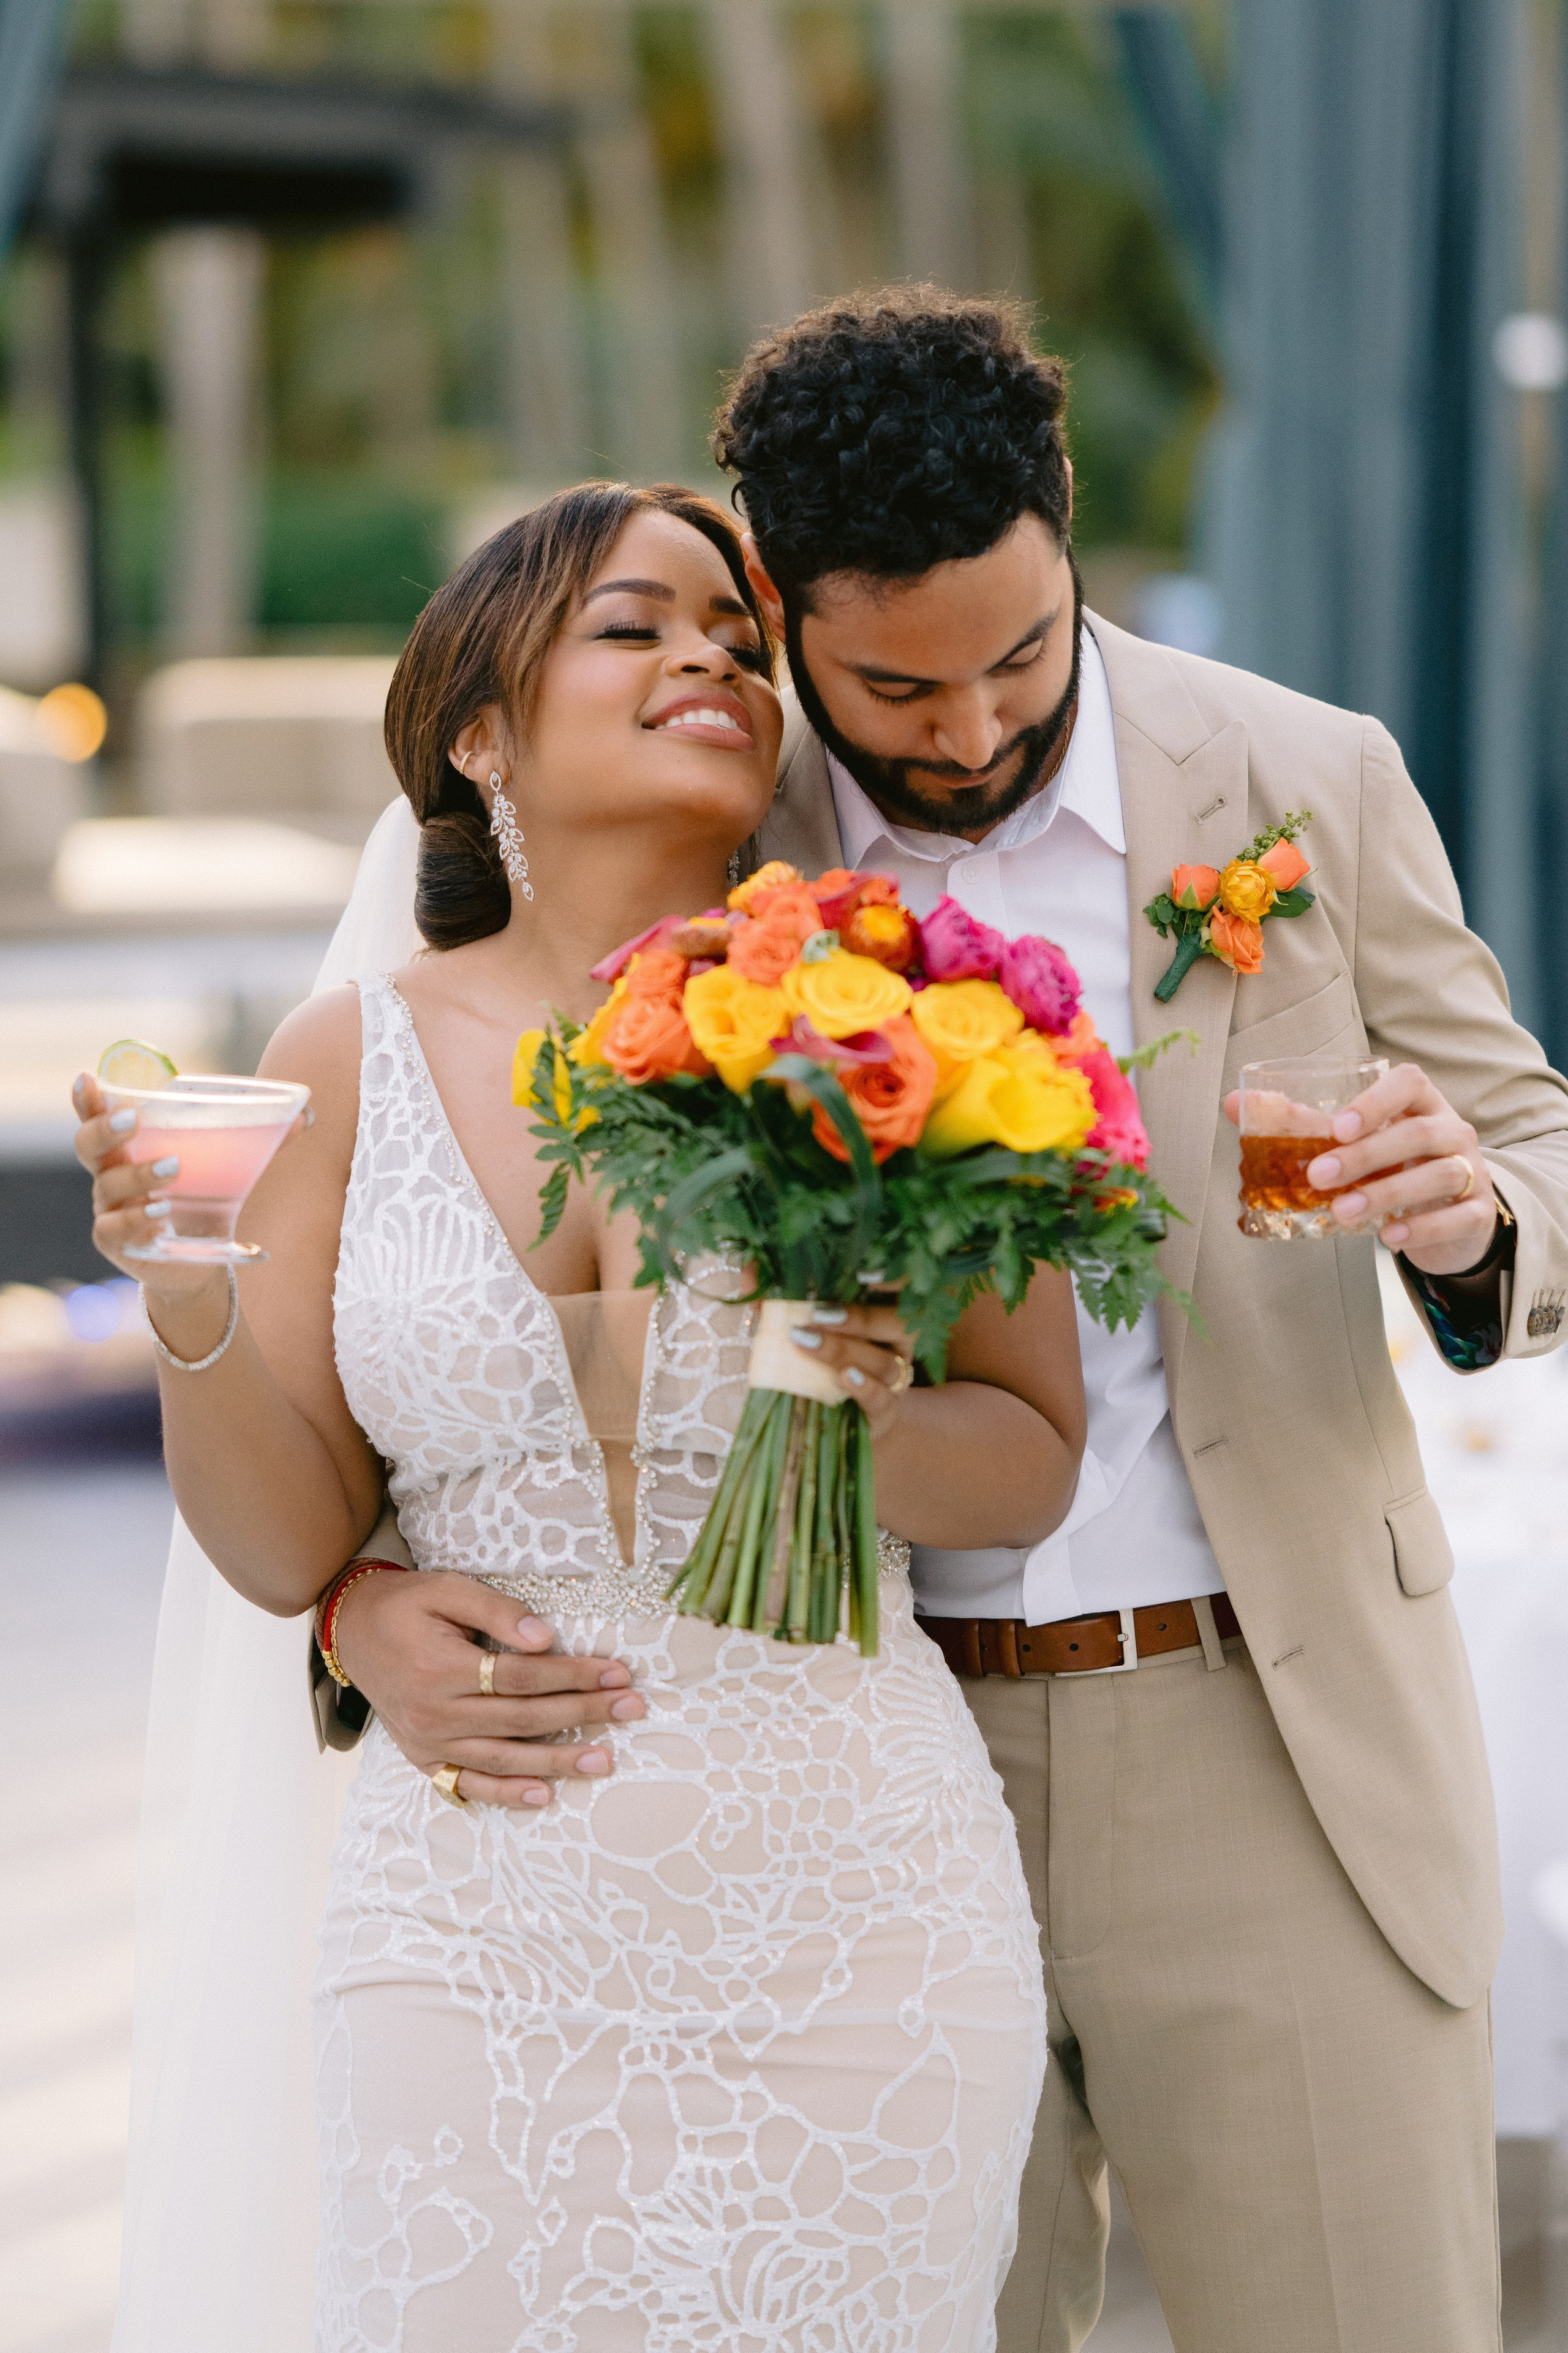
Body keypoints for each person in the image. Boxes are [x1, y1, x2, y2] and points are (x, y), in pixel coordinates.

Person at [333, 290, 1568, 2353]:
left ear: (1067, 531)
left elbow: (1534, 1136)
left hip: (1267, 1733)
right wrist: (351, 1600)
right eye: (898, 685)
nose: (978, 730)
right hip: (841, 1763)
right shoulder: (704, 829)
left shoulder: (1303, 773)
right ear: (781, 611)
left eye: (1023, 656)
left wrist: (1476, 1217)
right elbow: (447, 1259)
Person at [81, 480, 1086, 2351]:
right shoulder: (342, 1060)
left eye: (738, 637)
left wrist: (839, 1406)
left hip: (862, 1919)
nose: (712, 657)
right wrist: (187, 1300)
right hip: (473, 1921)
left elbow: (1030, 1454)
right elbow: (289, 1545)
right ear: (480, 735)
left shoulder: (908, 1028)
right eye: (638, 624)